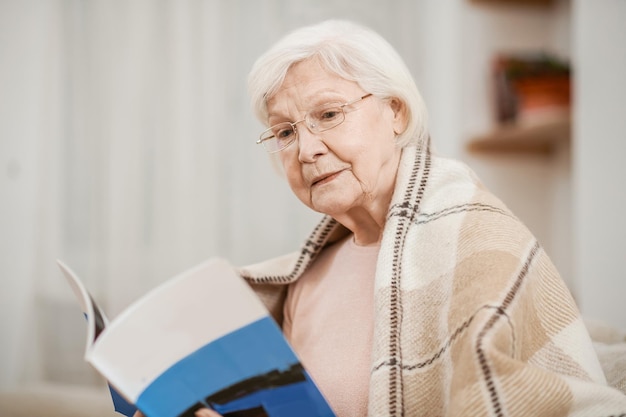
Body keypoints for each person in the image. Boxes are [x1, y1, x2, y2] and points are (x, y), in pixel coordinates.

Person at [136, 19, 626, 417]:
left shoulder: (477, 238)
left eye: (327, 115)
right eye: (285, 132)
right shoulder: (304, 280)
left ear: (394, 111)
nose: (307, 149)